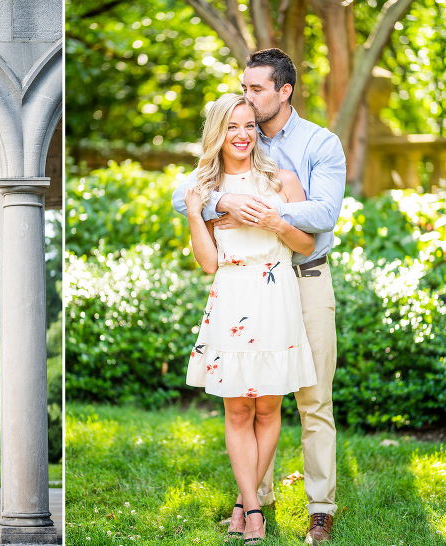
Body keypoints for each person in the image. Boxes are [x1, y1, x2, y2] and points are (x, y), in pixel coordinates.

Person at [173, 48, 346, 544]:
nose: (245, 101)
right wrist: (218, 200)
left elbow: (323, 214)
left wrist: (274, 216)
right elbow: (189, 189)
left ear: (282, 91)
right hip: (239, 289)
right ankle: (254, 500)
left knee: (310, 399)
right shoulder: (233, 149)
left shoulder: (318, 144)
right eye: (241, 96)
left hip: (303, 279)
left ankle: (320, 507)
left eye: (254, 91)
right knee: (248, 398)